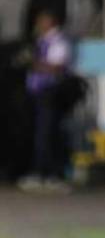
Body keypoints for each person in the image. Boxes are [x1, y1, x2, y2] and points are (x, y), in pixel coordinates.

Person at [20, 11, 74, 193]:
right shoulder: (41, 41)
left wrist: (32, 63)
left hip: (50, 94)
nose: (39, 24)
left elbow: (57, 66)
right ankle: (41, 172)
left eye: (42, 21)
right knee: (41, 134)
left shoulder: (58, 41)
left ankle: (53, 175)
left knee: (49, 134)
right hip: (39, 94)